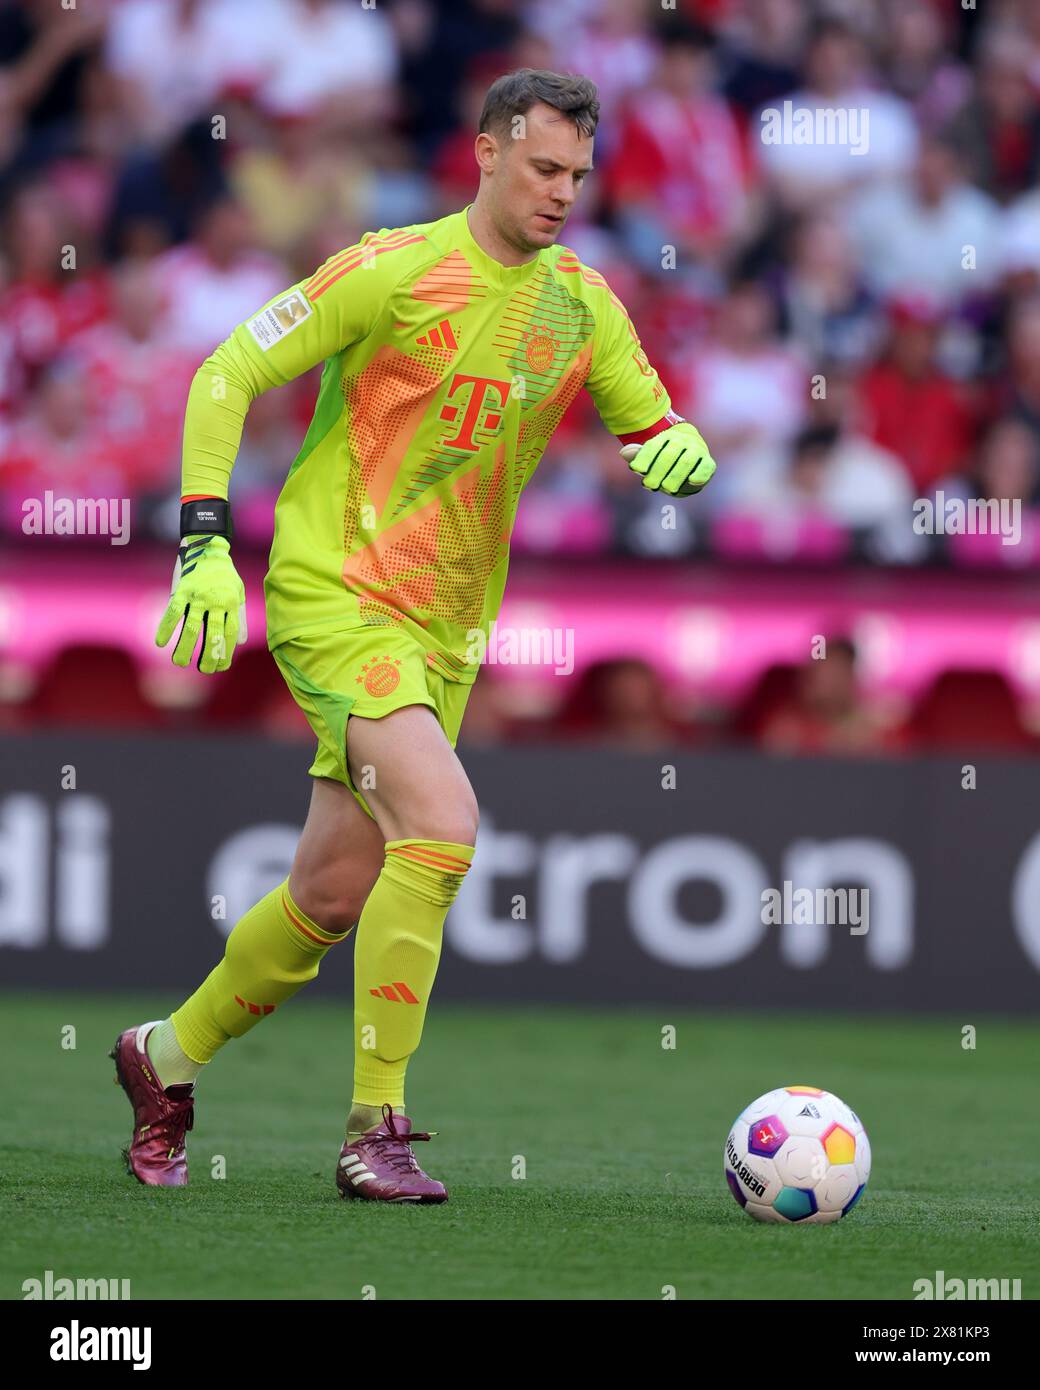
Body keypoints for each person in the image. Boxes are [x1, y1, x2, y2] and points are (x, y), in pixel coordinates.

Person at [110, 68, 717, 1203]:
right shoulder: (392, 268)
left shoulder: (581, 304)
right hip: (336, 589)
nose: (560, 193)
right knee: (441, 824)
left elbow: (648, 416)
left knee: (333, 894)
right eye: (542, 167)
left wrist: (674, 445)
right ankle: (372, 1126)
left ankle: (163, 1057)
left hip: (445, 629)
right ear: (485, 152)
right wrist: (203, 541)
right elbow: (227, 369)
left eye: (578, 176)